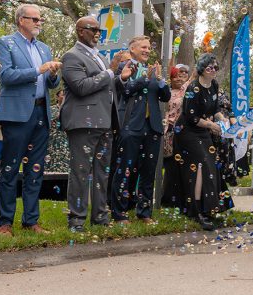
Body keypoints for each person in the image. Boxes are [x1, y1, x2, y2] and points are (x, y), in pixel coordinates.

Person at [0, 4, 61, 235]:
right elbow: (5, 76)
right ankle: (4, 223)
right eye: (35, 19)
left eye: (40, 20)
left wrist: (52, 75)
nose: (39, 23)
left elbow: (52, 84)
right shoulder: (5, 43)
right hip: (17, 114)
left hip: (41, 112)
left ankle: (31, 221)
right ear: (21, 20)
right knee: (10, 168)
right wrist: (38, 70)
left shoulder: (44, 48)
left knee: (36, 169)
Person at [59, 16, 125, 232]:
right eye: (93, 29)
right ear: (80, 31)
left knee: (102, 172)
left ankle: (100, 217)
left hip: (105, 122)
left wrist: (120, 78)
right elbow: (80, 86)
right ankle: (76, 220)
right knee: (80, 172)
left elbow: (107, 86)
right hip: (82, 123)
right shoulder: (71, 56)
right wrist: (109, 72)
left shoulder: (101, 58)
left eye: (100, 30)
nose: (98, 33)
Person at [109, 36, 170, 224]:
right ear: (133, 49)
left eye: (149, 48)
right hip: (130, 126)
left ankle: (144, 212)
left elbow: (165, 96)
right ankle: (119, 213)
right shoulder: (124, 67)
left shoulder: (153, 70)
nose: (147, 50)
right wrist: (145, 77)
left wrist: (160, 80)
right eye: (143, 47)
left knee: (148, 171)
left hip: (152, 127)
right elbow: (126, 90)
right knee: (124, 169)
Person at [173, 53, 230, 230]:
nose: (213, 71)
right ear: (201, 70)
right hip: (188, 131)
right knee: (199, 167)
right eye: (209, 68)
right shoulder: (192, 88)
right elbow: (192, 118)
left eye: (215, 67)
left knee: (210, 166)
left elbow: (215, 109)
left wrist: (223, 119)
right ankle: (195, 210)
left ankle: (209, 209)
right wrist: (213, 126)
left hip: (203, 130)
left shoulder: (213, 84)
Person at [160, 64, 190, 208]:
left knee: (182, 165)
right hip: (170, 132)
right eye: (176, 75)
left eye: (182, 75)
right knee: (170, 166)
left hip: (185, 131)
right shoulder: (166, 92)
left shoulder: (186, 90)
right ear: (170, 78)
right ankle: (168, 198)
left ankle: (182, 199)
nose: (179, 78)